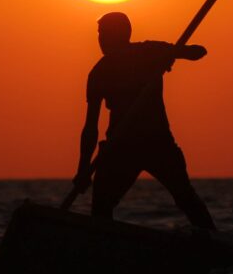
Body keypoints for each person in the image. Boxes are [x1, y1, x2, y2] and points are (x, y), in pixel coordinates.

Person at [72, 12, 216, 229]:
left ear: (121, 35)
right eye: (99, 34)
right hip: (120, 148)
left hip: (157, 143)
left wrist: (172, 54)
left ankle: (211, 241)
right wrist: (83, 169)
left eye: (105, 34)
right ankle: (102, 248)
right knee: (101, 206)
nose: (100, 40)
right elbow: (90, 127)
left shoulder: (149, 52)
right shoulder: (99, 73)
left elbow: (198, 52)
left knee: (185, 197)